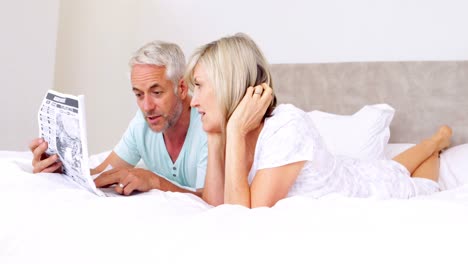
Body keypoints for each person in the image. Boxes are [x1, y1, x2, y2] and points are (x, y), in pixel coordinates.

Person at [186, 33, 452, 208]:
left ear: (227, 85)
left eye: (198, 86)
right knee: (387, 166)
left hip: (374, 191)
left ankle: (436, 143)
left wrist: (232, 131)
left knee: (415, 182)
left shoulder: (286, 126)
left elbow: (242, 217)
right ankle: (432, 142)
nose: (193, 100)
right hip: (356, 170)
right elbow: (215, 206)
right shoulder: (237, 133)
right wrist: (214, 135)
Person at [29, 41, 220, 204]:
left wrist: (155, 181)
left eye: (157, 93)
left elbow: (211, 201)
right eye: (138, 94)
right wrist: (58, 168)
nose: (147, 106)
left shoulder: (207, 123)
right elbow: (101, 174)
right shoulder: (142, 123)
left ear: (182, 87)